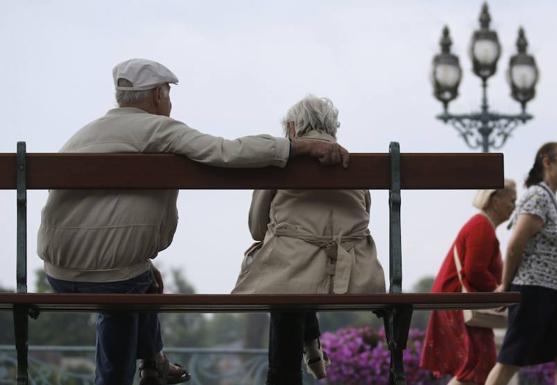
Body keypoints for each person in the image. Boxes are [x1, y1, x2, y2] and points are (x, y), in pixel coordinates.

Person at [37, 59, 349, 385]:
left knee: (143, 282)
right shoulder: (158, 129)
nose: (169, 101)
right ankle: (139, 367)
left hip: (56, 272)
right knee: (125, 296)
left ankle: (154, 362)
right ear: (158, 94)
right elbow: (226, 152)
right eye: (168, 92)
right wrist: (296, 147)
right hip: (115, 278)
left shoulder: (83, 135)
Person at [232, 95, 386, 385]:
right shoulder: (357, 167)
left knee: (291, 278)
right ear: (333, 129)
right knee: (307, 271)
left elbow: (256, 228)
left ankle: (287, 372)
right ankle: (312, 346)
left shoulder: (278, 166)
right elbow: (362, 219)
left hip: (291, 277)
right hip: (351, 279)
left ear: (292, 129)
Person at [485, 142, 557, 385]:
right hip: (533, 291)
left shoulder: (550, 200)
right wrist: (505, 287)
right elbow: (515, 244)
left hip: (551, 294)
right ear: (547, 162)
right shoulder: (538, 196)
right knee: (510, 361)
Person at [420, 180, 517, 385]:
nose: (514, 207)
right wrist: (496, 290)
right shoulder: (481, 226)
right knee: (476, 364)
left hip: (455, 301)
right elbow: (474, 271)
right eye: (511, 200)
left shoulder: (481, 225)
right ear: (495, 200)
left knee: (477, 364)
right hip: (457, 302)